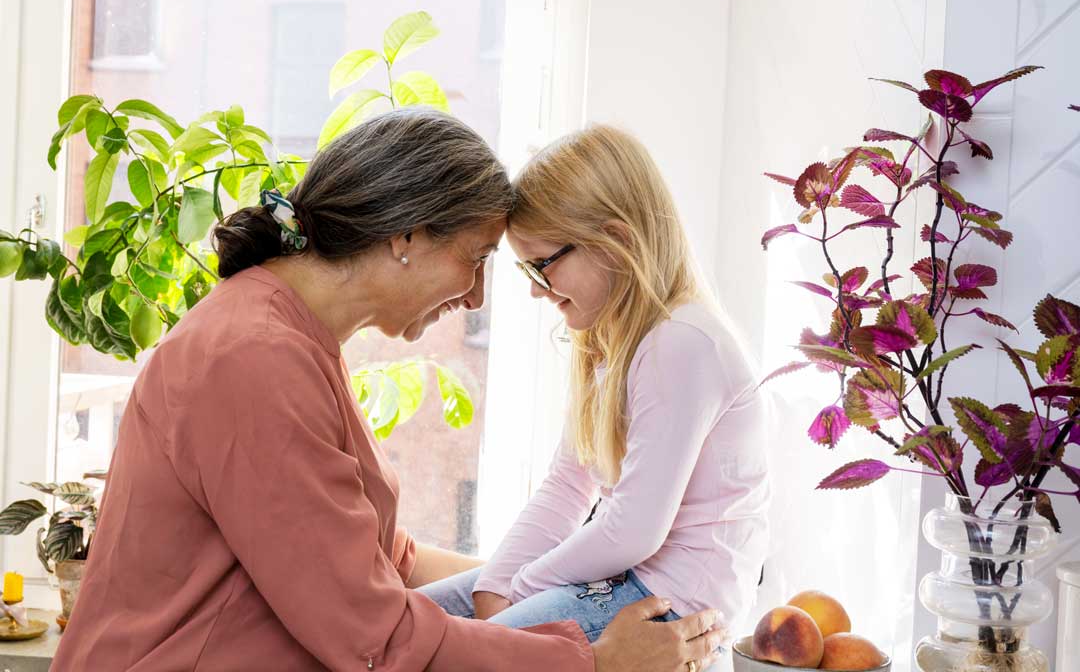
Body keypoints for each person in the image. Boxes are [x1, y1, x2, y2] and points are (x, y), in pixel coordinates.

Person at [51, 109, 726, 672]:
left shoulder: (290, 338)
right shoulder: (254, 361)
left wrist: (523, 588)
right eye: (478, 258)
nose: (477, 296)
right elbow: (376, 639)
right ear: (405, 236)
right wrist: (591, 660)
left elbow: (384, 565)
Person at [419, 125, 770, 669]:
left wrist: (522, 587)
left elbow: (633, 528)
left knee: (460, 661)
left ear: (617, 241)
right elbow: (567, 487)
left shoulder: (683, 342)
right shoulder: (609, 340)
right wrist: (497, 583)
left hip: (663, 606)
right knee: (408, 627)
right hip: (620, 579)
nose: (536, 288)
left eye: (543, 264)